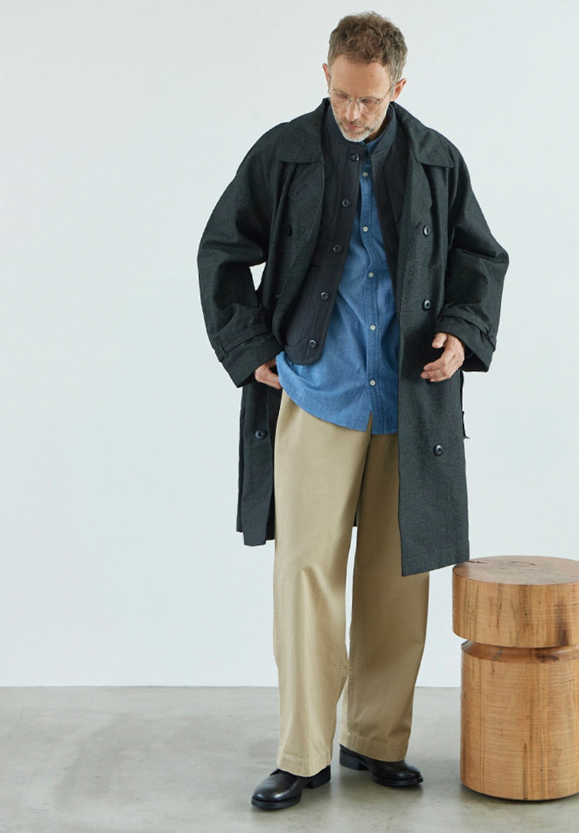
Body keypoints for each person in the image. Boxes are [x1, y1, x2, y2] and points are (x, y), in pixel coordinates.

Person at [198, 11, 508, 811]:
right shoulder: (284, 152)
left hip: (407, 399)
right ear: (327, 75)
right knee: (305, 573)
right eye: (340, 95)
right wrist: (249, 347)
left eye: (368, 99)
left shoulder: (435, 158)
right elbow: (222, 250)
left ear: (398, 87)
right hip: (315, 393)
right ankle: (301, 755)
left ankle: (373, 739)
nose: (351, 112)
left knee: (396, 580)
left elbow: (480, 258)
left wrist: (461, 333)